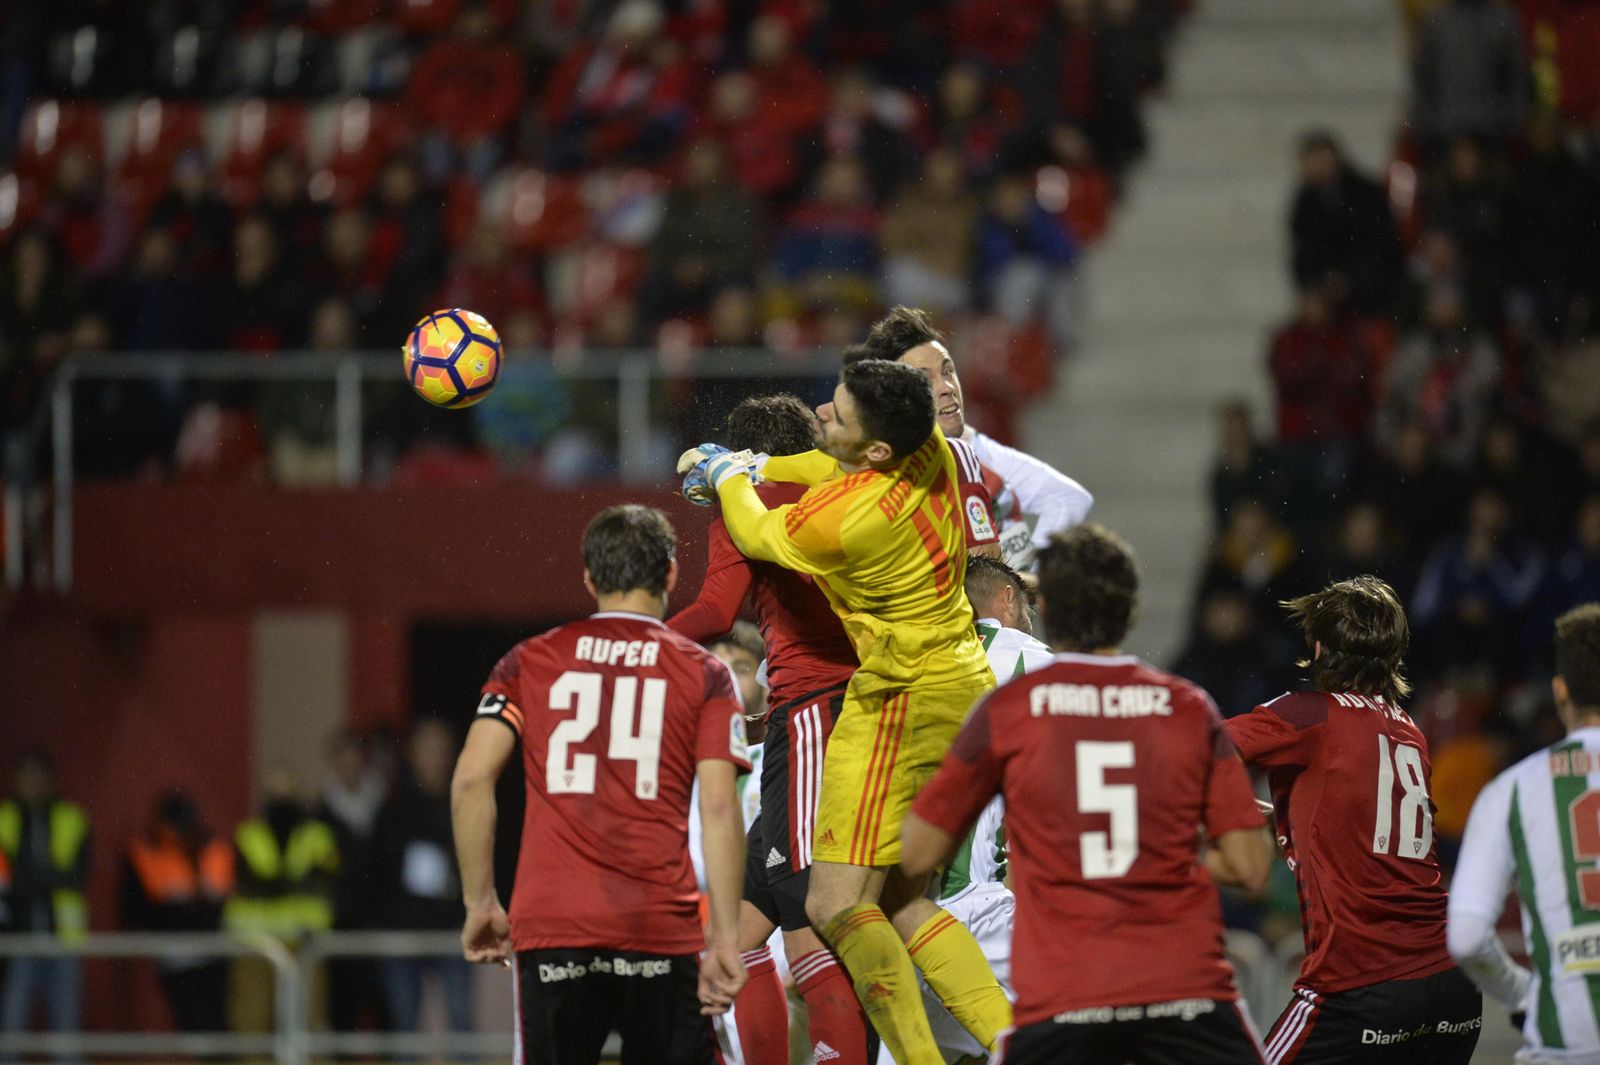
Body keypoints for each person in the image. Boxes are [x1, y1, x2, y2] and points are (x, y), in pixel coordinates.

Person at [682, 360, 1011, 1063]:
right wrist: (760, 462)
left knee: (825, 903)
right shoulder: (935, 453)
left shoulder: (847, 518)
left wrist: (728, 477)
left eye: (836, 416)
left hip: (883, 697)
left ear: (874, 451)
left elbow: (756, 537)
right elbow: (821, 463)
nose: (821, 418)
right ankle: (1012, 1040)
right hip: (950, 678)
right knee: (896, 896)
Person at [902, 524, 1273, 1063]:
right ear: (1130, 609)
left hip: (1067, 993)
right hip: (1183, 985)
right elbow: (1250, 870)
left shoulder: (1010, 710)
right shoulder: (1187, 707)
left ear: (1046, 606)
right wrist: (1164, 846)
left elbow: (918, 850)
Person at [451, 504, 752, 1064]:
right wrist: (727, 938)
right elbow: (717, 806)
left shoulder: (528, 661)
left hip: (553, 922)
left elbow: (471, 779)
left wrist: (480, 902)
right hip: (658, 924)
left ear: (589, 578)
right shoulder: (704, 672)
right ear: (669, 575)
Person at [668, 394, 870, 1065]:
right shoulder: (839, 482)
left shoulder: (743, 493)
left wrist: (641, 637)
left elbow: (716, 610)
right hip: (839, 701)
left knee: (807, 913)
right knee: (747, 927)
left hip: (816, 704)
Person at [1226, 576, 1483, 1063]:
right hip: (1452, 986)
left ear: (1319, 647)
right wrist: (1266, 817)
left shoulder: (1309, 714)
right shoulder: (1409, 732)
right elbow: (1357, 828)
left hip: (1362, 984)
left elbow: (1200, 748)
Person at [889, 555, 1055, 1065]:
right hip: (976, 905)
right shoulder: (1030, 658)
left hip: (893, 907)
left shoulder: (900, 652)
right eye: (1027, 608)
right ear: (1006, 600)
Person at [1449, 602, 1600, 1063]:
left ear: (1559, 692)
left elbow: (1467, 936)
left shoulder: (1512, 790)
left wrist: (1522, 994)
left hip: (1566, 1041)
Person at [850, 306, 1094, 571]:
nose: (947, 388)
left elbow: (1068, 499)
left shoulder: (979, 456)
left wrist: (1030, 580)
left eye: (947, 371)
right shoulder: (862, 477)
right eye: (924, 379)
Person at [373, 718, 474, 1035]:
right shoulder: (392, 810)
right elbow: (380, 874)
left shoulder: (467, 803)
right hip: (402, 934)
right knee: (404, 1029)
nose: (434, 757)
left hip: (451, 931)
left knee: (461, 1024)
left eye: (441, 749)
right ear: (413, 753)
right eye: (427, 748)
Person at [120, 790, 235, 1033]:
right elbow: (136, 907)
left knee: (218, 1023)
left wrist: (196, 904)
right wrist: (181, 907)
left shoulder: (211, 846)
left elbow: (224, 899)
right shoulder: (146, 850)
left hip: (214, 950)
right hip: (173, 951)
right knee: (190, 1022)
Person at [0, 749, 88, 1053]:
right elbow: (7, 878)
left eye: (40, 777)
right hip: (16, 938)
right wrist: (46, 877)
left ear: (52, 781)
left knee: (66, 1031)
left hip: (62, 938)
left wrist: (30, 878)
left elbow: (78, 876)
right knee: (11, 1028)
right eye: (27, 776)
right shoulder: (5, 819)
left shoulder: (72, 818)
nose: (34, 784)